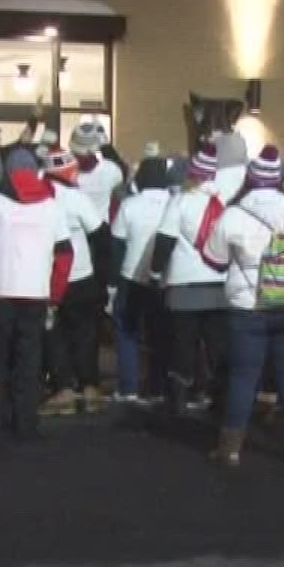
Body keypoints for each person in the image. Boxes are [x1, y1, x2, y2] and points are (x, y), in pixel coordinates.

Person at [201, 145, 284, 466]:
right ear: (280, 179)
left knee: (243, 378)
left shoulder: (233, 214)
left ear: (251, 179)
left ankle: (230, 449)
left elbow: (214, 259)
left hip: (247, 307)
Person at [0, 147, 73, 438]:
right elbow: (64, 255)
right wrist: (55, 294)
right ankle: (25, 420)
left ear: (8, 172)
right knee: (29, 362)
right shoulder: (51, 206)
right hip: (35, 293)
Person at [150, 143, 230, 417]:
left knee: (183, 345)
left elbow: (165, 240)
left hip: (185, 285)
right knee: (218, 346)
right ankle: (220, 397)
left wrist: (155, 271)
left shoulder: (181, 200)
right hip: (220, 282)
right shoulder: (224, 202)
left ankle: (178, 399)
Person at [40, 148, 110, 415]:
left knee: (54, 335)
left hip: (48, 277)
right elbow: (99, 234)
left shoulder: (39, 197)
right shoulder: (75, 198)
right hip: (81, 276)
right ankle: (90, 388)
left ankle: (63, 389)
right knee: (85, 334)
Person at [111, 153, 176, 404]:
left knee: (127, 330)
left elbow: (117, 244)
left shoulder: (130, 205)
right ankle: (157, 387)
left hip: (132, 275)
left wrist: (112, 283)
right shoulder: (175, 203)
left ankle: (128, 386)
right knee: (160, 333)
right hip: (164, 279)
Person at [70, 122, 124, 219]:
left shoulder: (64, 172)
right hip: (101, 230)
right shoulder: (112, 169)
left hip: (74, 231)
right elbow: (119, 200)